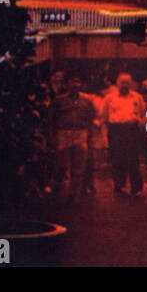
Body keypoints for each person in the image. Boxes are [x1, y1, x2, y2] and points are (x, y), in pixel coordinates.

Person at [50, 74, 96, 204]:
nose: (75, 85)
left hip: (80, 133)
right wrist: (53, 136)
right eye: (72, 82)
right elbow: (51, 120)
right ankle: (56, 192)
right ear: (67, 84)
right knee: (61, 166)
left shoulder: (87, 101)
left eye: (77, 82)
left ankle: (73, 195)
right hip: (64, 133)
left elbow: (90, 119)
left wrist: (89, 137)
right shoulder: (58, 101)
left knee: (78, 167)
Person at [101, 73, 147, 194]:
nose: (125, 85)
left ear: (131, 83)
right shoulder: (110, 98)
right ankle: (119, 185)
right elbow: (104, 117)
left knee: (133, 159)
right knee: (117, 159)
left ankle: (136, 187)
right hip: (116, 130)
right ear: (117, 83)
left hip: (131, 130)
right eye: (123, 82)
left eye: (127, 82)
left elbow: (142, 114)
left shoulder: (137, 97)